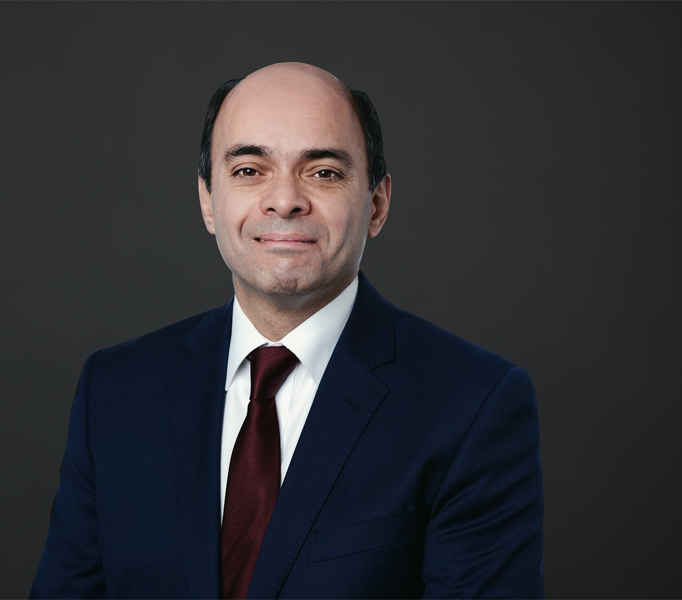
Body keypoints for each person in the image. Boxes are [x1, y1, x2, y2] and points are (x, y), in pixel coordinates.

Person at [30, 62, 544, 599]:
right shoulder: (114, 390)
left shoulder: (473, 404)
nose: (284, 199)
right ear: (208, 200)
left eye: (323, 172)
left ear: (377, 204)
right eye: (249, 170)